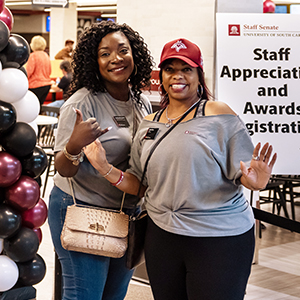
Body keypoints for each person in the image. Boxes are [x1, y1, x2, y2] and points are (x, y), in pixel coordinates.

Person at [84, 38, 277, 300]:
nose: (178, 76)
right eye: (170, 69)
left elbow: (246, 175)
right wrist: (104, 167)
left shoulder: (217, 114)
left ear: (199, 74)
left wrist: (256, 182)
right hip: (162, 235)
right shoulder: (150, 123)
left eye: (186, 69)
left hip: (217, 238)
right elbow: (140, 185)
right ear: (161, 76)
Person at [47, 21, 154, 300]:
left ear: (135, 54)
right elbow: (63, 167)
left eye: (123, 50)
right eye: (105, 53)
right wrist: (74, 144)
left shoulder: (140, 102)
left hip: (125, 213)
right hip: (82, 208)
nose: (115, 59)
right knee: (85, 295)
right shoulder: (82, 103)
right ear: (94, 62)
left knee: (114, 296)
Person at [26, 35, 52, 109]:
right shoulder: (46, 55)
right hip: (46, 85)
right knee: (39, 107)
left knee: (31, 108)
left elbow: (28, 72)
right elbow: (49, 71)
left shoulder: (33, 56)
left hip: (34, 86)